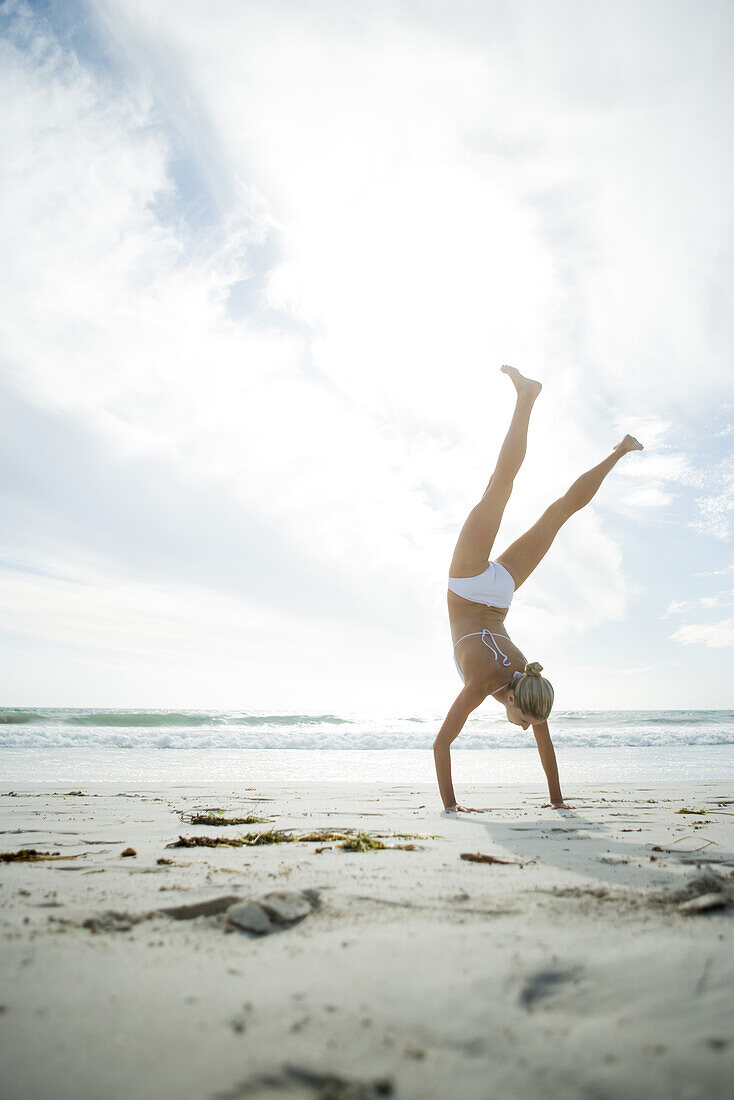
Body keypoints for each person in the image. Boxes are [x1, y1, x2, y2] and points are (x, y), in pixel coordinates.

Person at [434, 365, 643, 813]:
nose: (528, 729)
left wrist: (557, 802)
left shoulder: (532, 682)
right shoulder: (491, 683)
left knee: (541, 507)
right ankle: (528, 398)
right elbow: (440, 745)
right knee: (510, 491)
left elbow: (544, 749)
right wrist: (452, 809)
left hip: (498, 594)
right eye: (528, 722)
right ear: (513, 698)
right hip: (472, 585)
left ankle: (621, 450)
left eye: (530, 724)